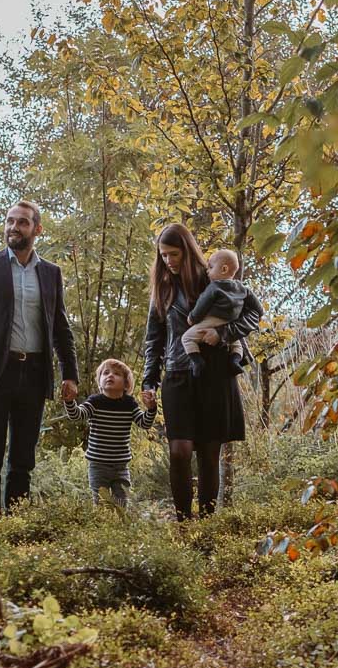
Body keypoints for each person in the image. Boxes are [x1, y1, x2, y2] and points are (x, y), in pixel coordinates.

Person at [0, 200, 79, 513]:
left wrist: (70, 373)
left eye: (22, 222)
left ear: (37, 229)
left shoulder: (50, 273)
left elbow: (61, 327)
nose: (13, 227)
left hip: (33, 373)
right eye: (10, 221)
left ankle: (17, 524)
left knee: (23, 458)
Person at [141, 223, 263, 521]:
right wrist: (149, 380)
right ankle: (184, 523)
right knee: (179, 451)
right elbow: (153, 339)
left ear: (186, 250)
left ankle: (206, 527)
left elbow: (253, 313)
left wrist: (223, 334)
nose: (168, 261)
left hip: (215, 375)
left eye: (173, 254)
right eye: (163, 256)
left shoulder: (215, 278)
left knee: (209, 455)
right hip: (178, 374)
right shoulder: (163, 289)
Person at [62, 358, 158, 507]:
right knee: (101, 503)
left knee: (121, 503)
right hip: (98, 465)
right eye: (105, 373)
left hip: (121, 466)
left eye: (116, 374)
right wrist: (69, 402)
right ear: (100, 381)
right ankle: (101, 528)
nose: (110, 376)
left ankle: (119, 529)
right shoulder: (95, 402)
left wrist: (151, 409)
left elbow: (144, 423)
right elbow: (77, 415)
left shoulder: (129, 404)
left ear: (126, 384)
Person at [181, 248, 252, 378]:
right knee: (236, 344)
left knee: (186, 338)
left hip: (212, 321)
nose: (207, 271)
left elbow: (202, 305)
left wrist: (192, 318)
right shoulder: (243, 288)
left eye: (210, 267)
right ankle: (235, 361)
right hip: (231, 322)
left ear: (224, 269)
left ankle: (197, 362)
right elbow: (259, 309)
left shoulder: (214, 287)